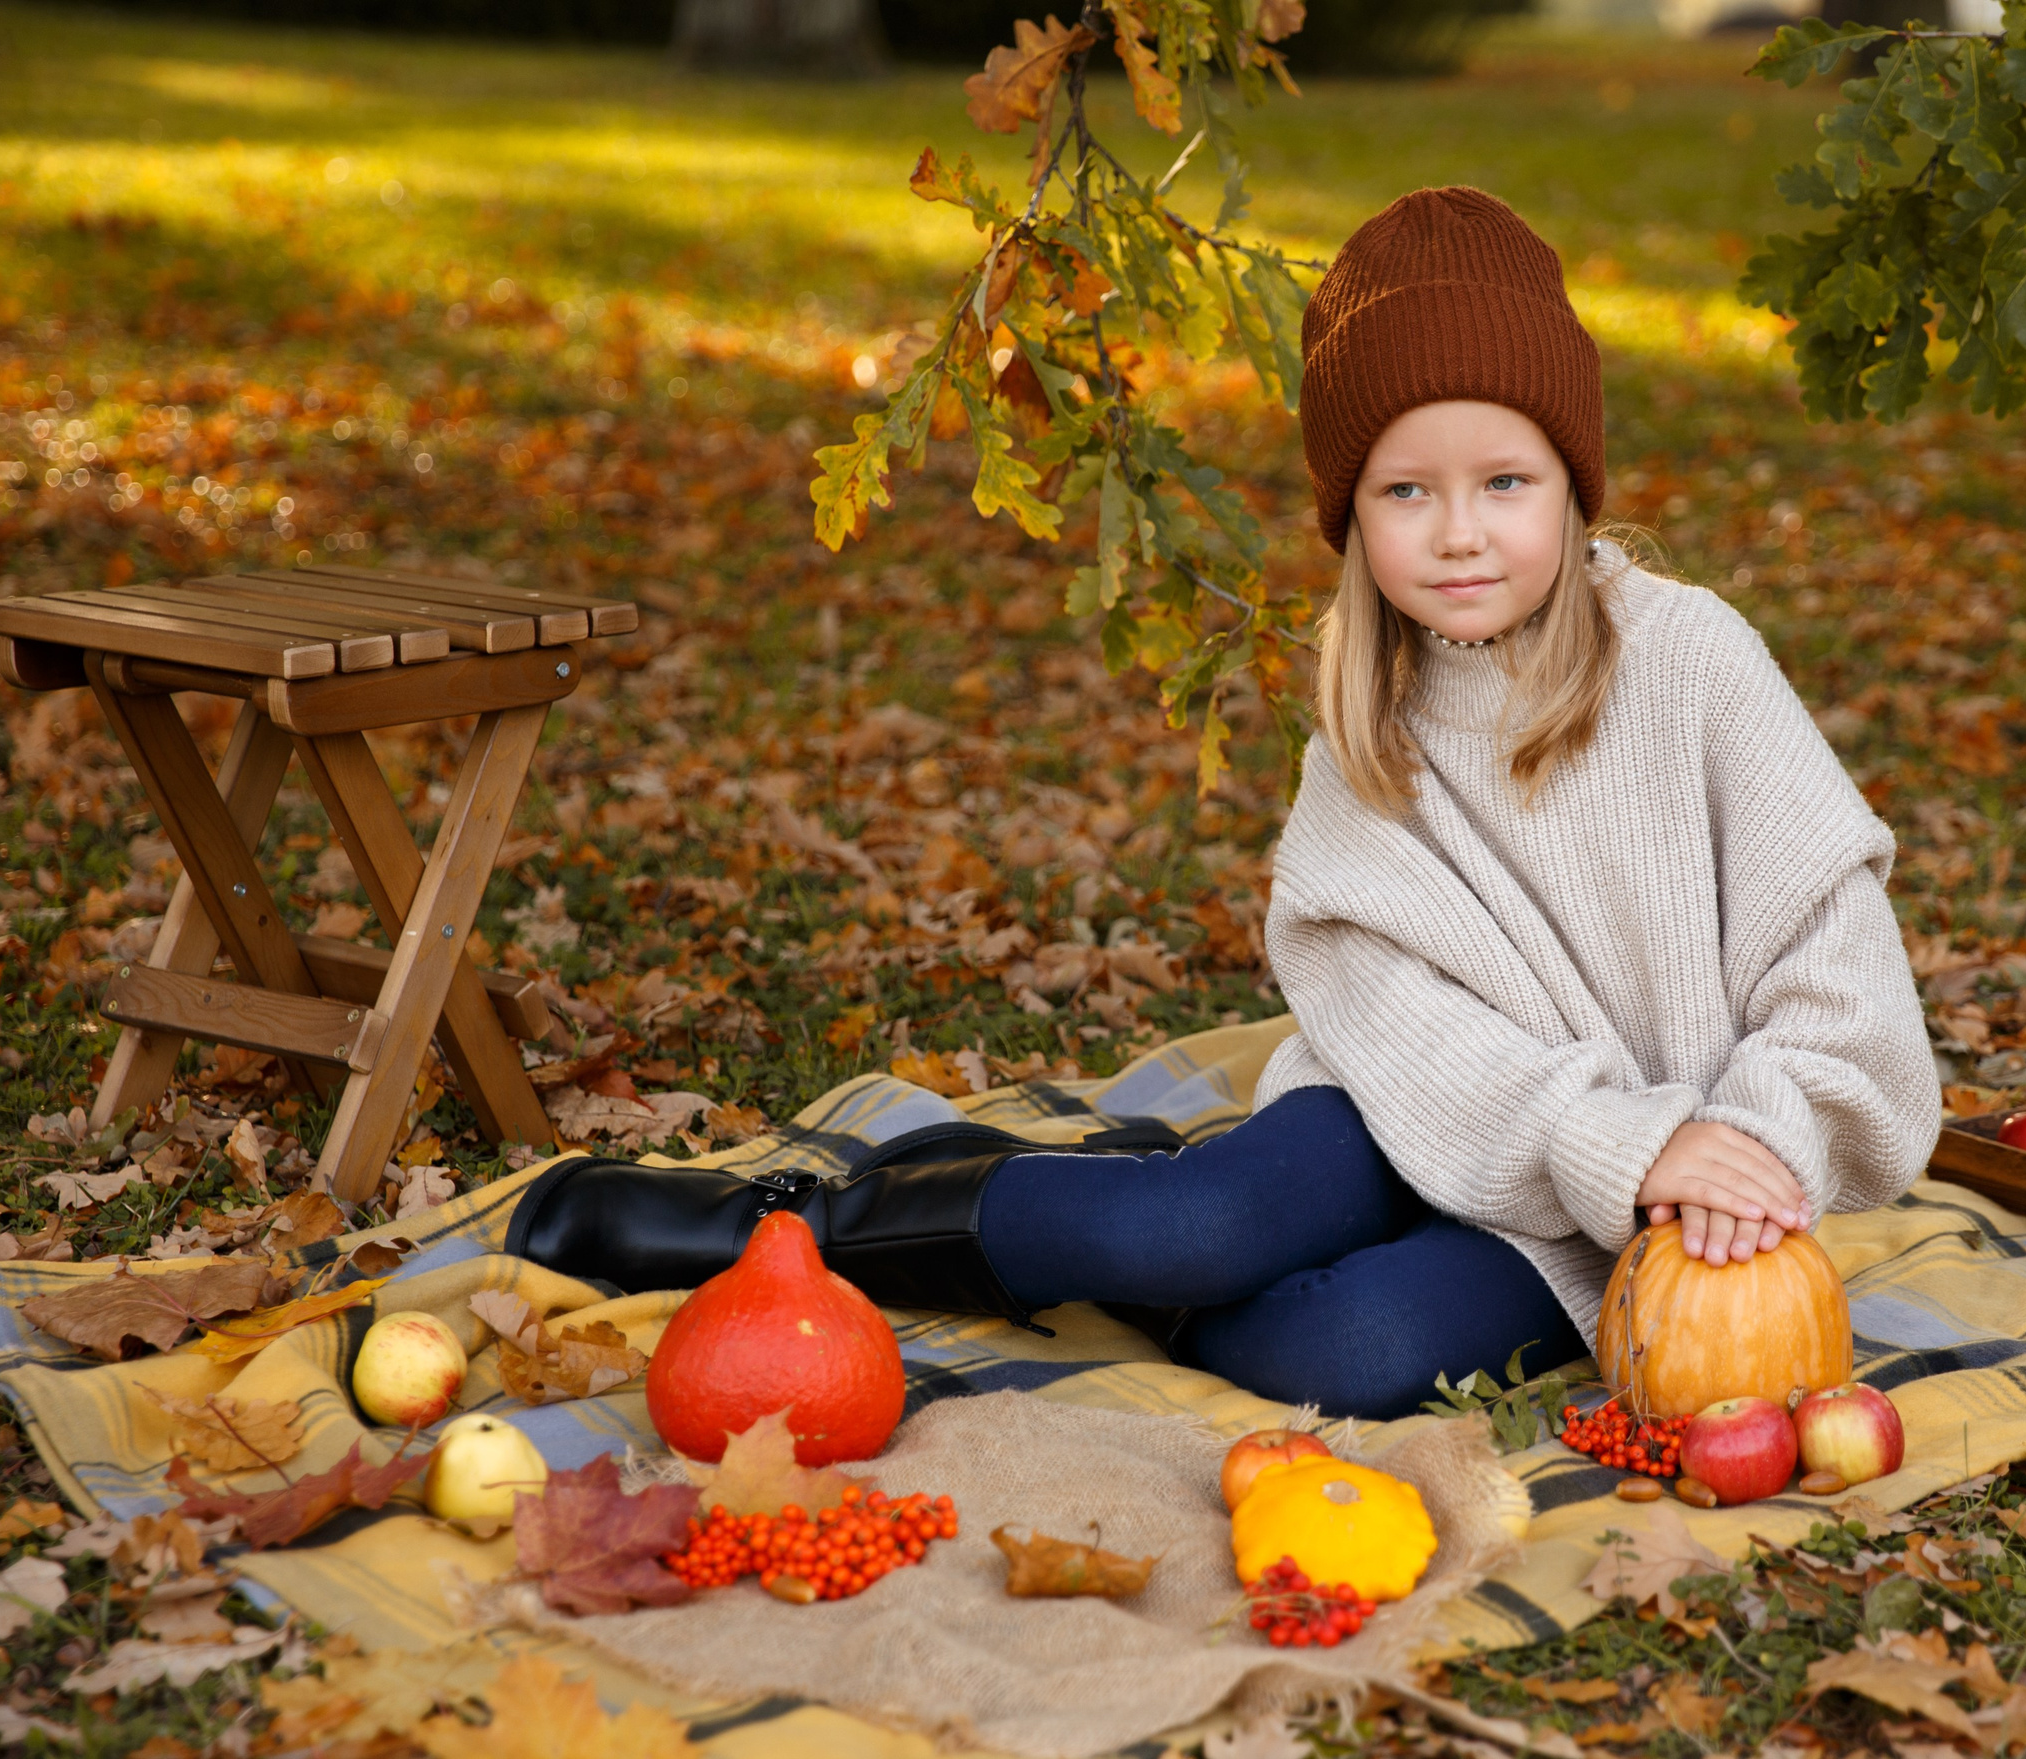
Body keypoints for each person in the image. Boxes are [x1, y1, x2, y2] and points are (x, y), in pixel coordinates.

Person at [507, 186, 1941, 1419]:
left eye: (1505, 480)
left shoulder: (1691, 663)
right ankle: (794, 1230)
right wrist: (1613, 1136)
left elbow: (1836, 964)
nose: (1458, 534)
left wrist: (1735, 1152)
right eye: (1404, 492)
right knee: (1200, 1227)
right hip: (1418, 1114)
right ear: (1349, 511)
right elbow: (1385, 1006)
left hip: (1627, 1215)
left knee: (1344, 1352)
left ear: (1571, 482)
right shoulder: (1369, 710)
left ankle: (1105, 1227)